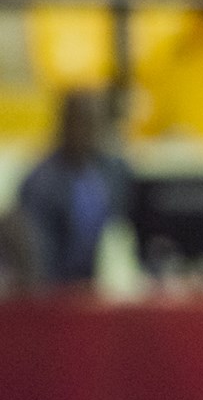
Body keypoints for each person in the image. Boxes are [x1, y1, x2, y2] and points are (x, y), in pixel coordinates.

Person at [17, 88, 134, 285]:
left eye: (95, 123)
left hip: (108, 284)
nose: (88, 131)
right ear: (64, 124)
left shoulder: (115, 171)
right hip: (58, 289)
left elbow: (125, 227)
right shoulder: (40, 183)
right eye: (82, 122)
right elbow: (38, 256)